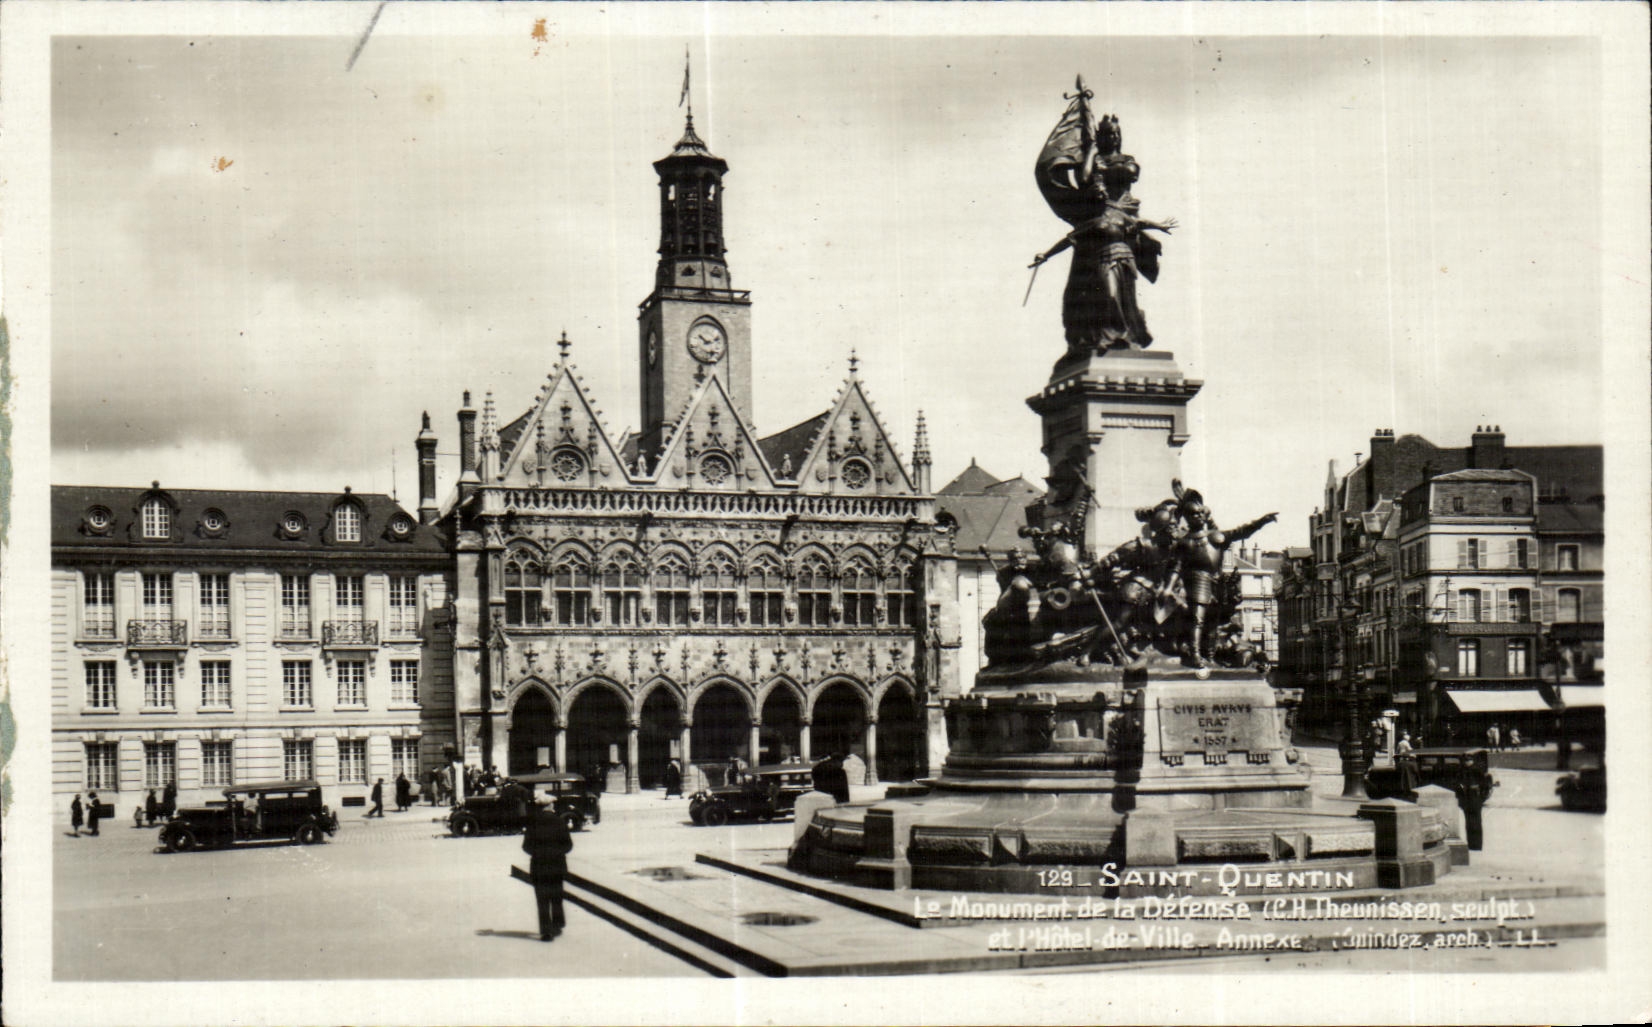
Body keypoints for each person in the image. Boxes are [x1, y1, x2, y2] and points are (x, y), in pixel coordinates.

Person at [522, 799, 573, 941]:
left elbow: (526, 846)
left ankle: (546, 931)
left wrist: (538, 853)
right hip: (557, 866)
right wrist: (558, 852)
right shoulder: (560, 822)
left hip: (539, 866)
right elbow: (568, 845)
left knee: (542, 900)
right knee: (556, 897)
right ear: (550, 806)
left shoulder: (533, 823)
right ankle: (557, 924)